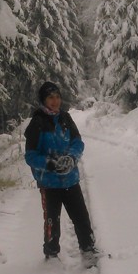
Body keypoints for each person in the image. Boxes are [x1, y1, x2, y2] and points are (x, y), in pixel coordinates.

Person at [24, 81, 95, 259]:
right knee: (51, 223)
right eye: (50, 97)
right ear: (43, 100)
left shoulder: (65, 118)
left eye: (57, 97)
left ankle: (88, 249)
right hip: (49, 184)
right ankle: (51, 255)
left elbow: (77, 142)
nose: (55, 101)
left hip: (71, 179)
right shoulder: (37, 123)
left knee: (81, 218)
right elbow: (30, 156)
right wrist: (51, 163)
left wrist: (71, 158)